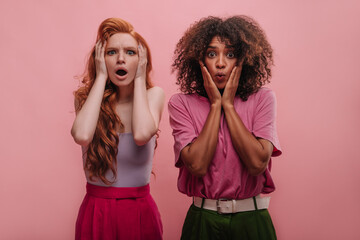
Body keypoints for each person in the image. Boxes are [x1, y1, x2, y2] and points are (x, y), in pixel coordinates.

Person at [168, 15, 282, 240]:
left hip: (252, 219)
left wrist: (228, 105)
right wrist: (215, 105)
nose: (220, 63)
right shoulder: (181, 103)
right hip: (203, 220)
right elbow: (198, 165)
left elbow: (258, 163)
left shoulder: (263, 99)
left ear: (243, 59)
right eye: (212, 54)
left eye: (230, 54)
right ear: (199, 60)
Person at [71, 18, 164, 240]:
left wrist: (140, 78)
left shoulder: (154, 95)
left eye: (131, 53)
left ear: (141, 60)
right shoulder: (85, 99)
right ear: (101, 59)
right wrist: (101, 76)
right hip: (96, 211)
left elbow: (142, 135)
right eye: (112, 52)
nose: (121, 59)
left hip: (139, 212)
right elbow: (82, 135)